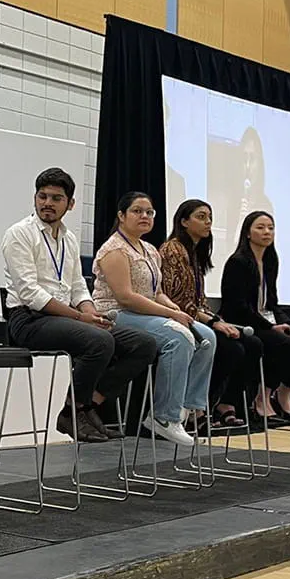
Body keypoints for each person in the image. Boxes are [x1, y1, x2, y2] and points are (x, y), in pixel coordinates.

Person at [1, 168, 155, 443]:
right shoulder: (19, 234)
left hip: (65, 319)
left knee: (143, 344)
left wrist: (90, 312)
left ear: (70, 204)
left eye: (56, 198)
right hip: (29, 320)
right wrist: (79, 317)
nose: (47, 203)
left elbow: (76, 286)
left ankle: (84, 405)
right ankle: (75, 411)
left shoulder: (68, 238)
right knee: (99, 341)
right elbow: (30, 292)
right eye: (42, 196)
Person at [92, 192, 213, 447]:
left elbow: (157, 293)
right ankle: (163, 418)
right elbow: (125, 298)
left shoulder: (149, 249)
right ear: (121, 216)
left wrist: (175, 309)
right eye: (137, 211)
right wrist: (171, 315)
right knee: (179, 337)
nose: (145, 216)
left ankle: (186, 410)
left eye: (149, 212)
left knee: (208, 337)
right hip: (117, 315)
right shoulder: (114, 250)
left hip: (147, 313)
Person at [160, 199, 262, 429]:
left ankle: (221, 403)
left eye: (209, 217)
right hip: (174, 317)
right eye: (201, 217)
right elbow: (177, 300)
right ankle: (197, 407)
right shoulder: (173, 249)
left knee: (252, 344)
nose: (208, 222)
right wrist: (214, 322)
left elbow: (199, 301)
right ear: (184, 221)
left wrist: (219, 321)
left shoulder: (195, 253)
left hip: (196, 316)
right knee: (229, 348)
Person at [220, 210, 290, 421]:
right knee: (283, 344)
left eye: (270, 228)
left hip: (264, 319)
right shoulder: (238, 262)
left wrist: (285, 322)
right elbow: (237, 306)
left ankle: (283, 394)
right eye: (260, 228)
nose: (267, 232)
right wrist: (270, 327)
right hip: (243, 321)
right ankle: (261, 399)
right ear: (247, 233)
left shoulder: (271, 260)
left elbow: (271, 302)